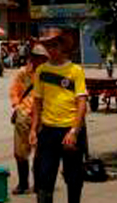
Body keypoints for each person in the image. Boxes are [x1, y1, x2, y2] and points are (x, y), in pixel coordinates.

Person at [29, 28, 87, 203]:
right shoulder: (41, 71)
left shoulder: (75, 70)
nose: (51, 50)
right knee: (44, 176)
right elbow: (37, 102)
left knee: (74, 177)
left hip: (71, 131)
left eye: (54, 45)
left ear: (63, 46)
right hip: (48, 131)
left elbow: (81, 103)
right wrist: (33, 129)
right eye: (48, 46)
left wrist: (74, 131)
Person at [9, 43, 49, 195]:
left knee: (40, 153)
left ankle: (38, 184)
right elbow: (14, 91)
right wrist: (17, 106)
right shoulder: (23, 73)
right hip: (24, 116)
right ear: (32, 58)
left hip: (43, 118)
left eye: (43, 58)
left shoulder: (48, 74)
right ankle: (23, 183)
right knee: (20, 152)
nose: (41, 61)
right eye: (38, 58)